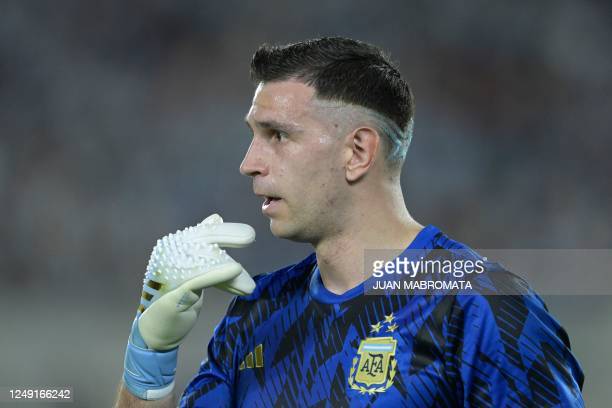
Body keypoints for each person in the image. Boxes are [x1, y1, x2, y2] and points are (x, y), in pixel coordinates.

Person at [115, 37, 584, 407]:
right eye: (254, 135)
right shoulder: (256, 313)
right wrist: (150, 357)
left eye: (277, 135)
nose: (249, 163)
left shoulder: (482, 308)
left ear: (358, 151)